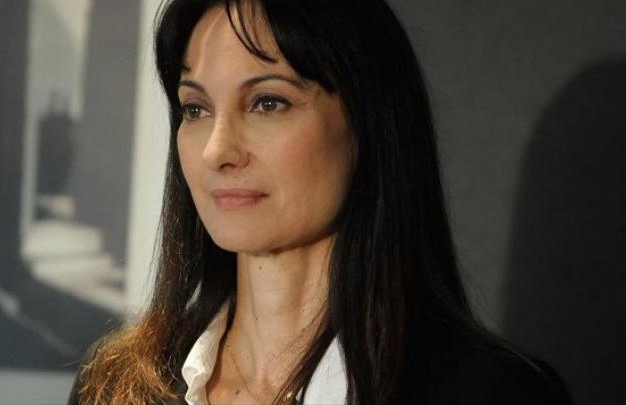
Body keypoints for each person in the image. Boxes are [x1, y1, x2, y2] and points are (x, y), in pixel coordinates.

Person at [70, 0, 574, 403]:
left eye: (268, 103)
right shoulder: (112, 387)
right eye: (196, 108)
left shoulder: (494, 393)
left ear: (367, 125)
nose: (216, 151)